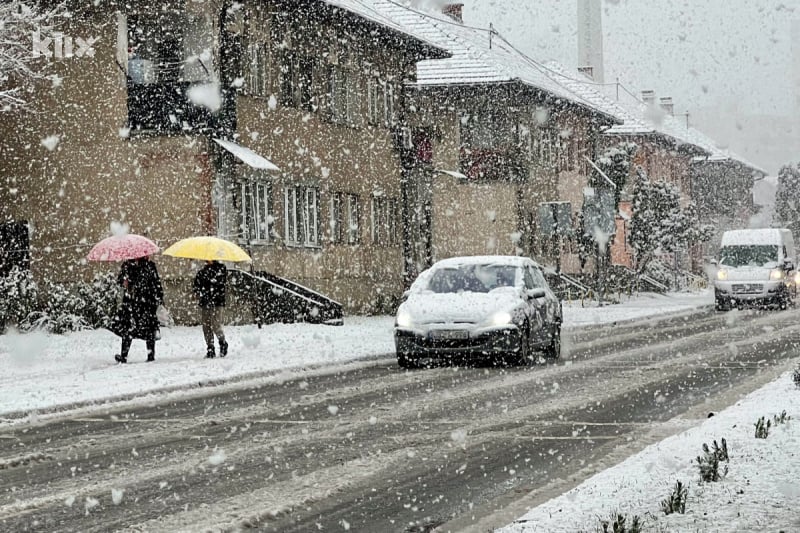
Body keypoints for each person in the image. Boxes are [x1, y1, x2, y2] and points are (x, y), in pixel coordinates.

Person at [113, 256, 164, 363]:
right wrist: (124, 281)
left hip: (146, 303)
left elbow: (155, 283)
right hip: (131, 303)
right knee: (128, 328)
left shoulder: (149, 266)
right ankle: (124, 355)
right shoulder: (127, 265)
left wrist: (158, 298)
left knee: (149, 328)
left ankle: (151, 355)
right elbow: (120, 280)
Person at [193, 260, 228, 358]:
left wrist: (211, 284)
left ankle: (222, 342)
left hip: (217, 302)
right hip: (205, 302)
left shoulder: (221, 269)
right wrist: (198, 291)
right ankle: (210, 347)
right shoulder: (202, 272)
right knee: (206, 326)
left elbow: (220, 284)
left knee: (216, 324)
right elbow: (196, 285)